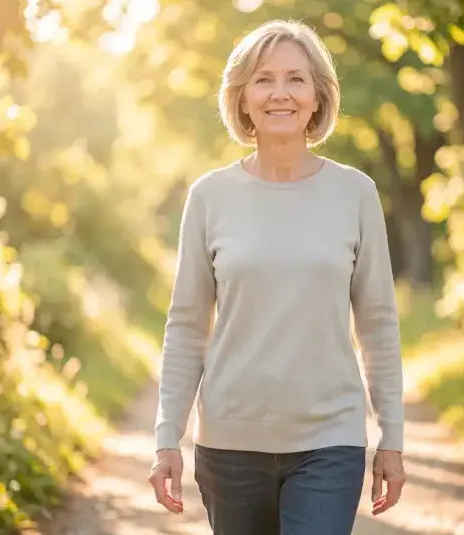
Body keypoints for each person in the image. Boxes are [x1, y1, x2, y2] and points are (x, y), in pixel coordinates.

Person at [148, 18, 406, 535]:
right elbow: (186, 327)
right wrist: (166, 438)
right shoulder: (209, 197)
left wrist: (392, 439)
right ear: (242, 98)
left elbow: (377, 324)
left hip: (330, 442)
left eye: (296, 79)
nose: (279, 93)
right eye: (263, 79)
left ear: (317, 97)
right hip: (229, 443)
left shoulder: (355, 194)